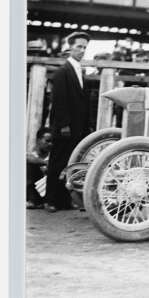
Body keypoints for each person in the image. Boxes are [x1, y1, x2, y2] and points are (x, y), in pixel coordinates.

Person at [45, 31, 92, 212]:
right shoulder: (62, 72)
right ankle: (50, 200)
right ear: (70, 47)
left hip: (78, 128)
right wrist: (64, 124)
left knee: (70, 165)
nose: (81, 50)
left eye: (84, 48)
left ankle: (64, 201)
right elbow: (59, 101)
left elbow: (84, 101)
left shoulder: (80, 71)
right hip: (65, 127)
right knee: (57, 163)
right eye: (78, 47)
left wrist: (88, 123)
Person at [26, 127, 52, 208]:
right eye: (47, 141)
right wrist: (46, 163)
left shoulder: (53, 156)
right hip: (33, 192)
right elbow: (27, 159)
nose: (50, 144)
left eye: (52, 141)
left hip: (47, 193)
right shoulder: (31, 154)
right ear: (38, 141)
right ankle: (32, 200)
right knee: (30, 166)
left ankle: (48, 202)